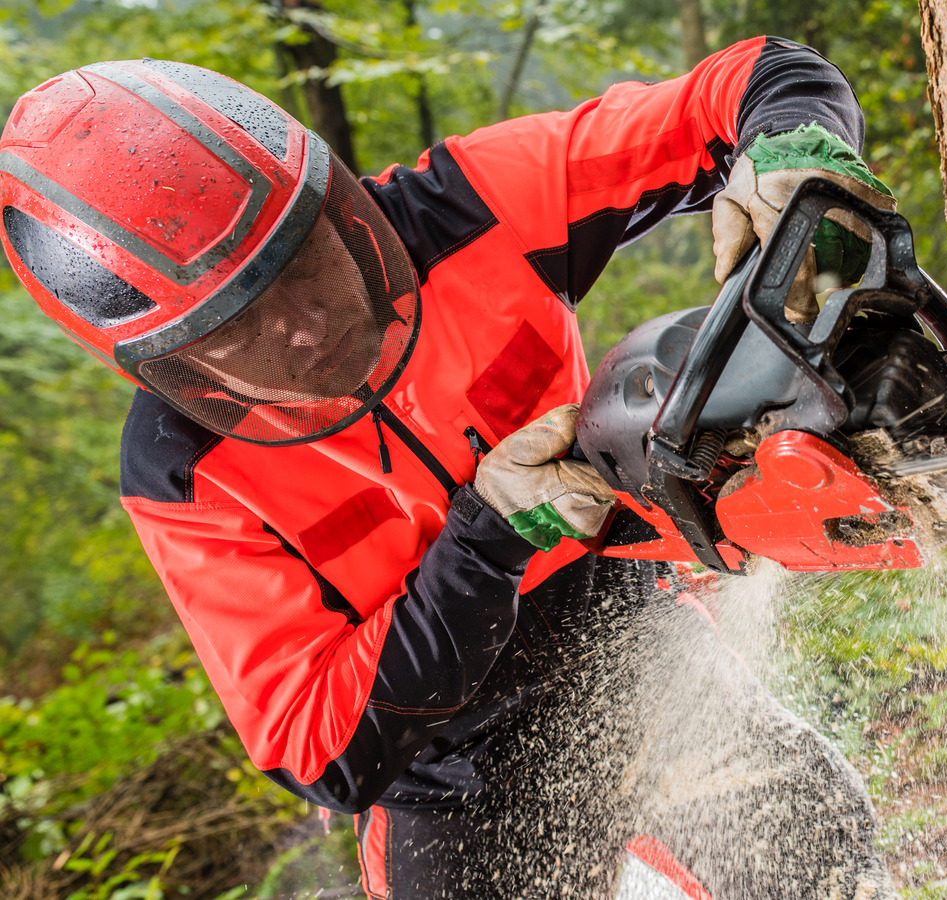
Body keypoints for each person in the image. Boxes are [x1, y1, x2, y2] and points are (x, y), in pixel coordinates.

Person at [0, 37, 897, 899]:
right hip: (443, 757)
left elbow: (752, 77)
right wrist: (492, 538)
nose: (302, 328)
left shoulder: (468, 207)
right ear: (174, 361)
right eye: (239, 329)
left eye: (300, 270)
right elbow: (320, 748)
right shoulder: (185, 471)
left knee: (820, 855)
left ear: (330, 206)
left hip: (627, 630)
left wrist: (793, 150)